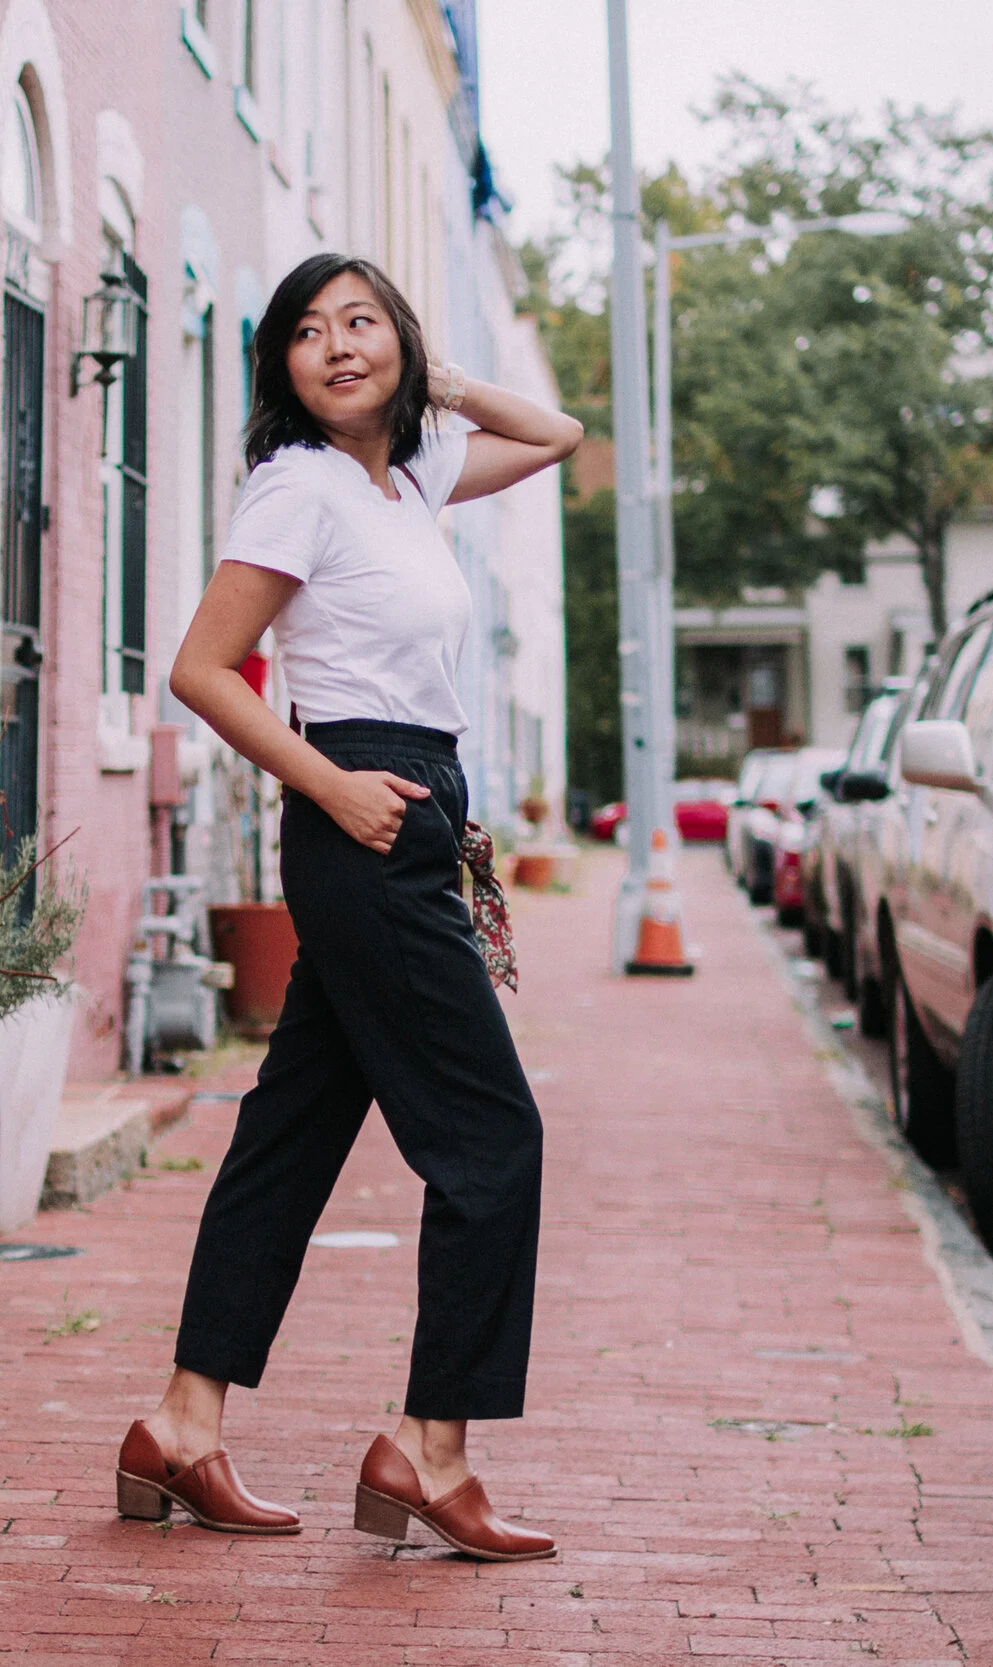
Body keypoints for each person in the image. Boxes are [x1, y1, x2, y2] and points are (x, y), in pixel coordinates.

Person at [113, 252, 582, 1561]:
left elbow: (557, 431)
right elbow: (203, 670)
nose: (337, 347)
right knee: (491, 1138)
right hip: (361, 816)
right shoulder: (298, 487)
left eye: (362, 323)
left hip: (414, 811)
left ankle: (183, 1424)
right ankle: (431, 1451)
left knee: (291, 1138)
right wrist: (331, 788)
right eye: (308, 332)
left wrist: (433, 373)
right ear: (280, 368)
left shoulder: (407, 476)